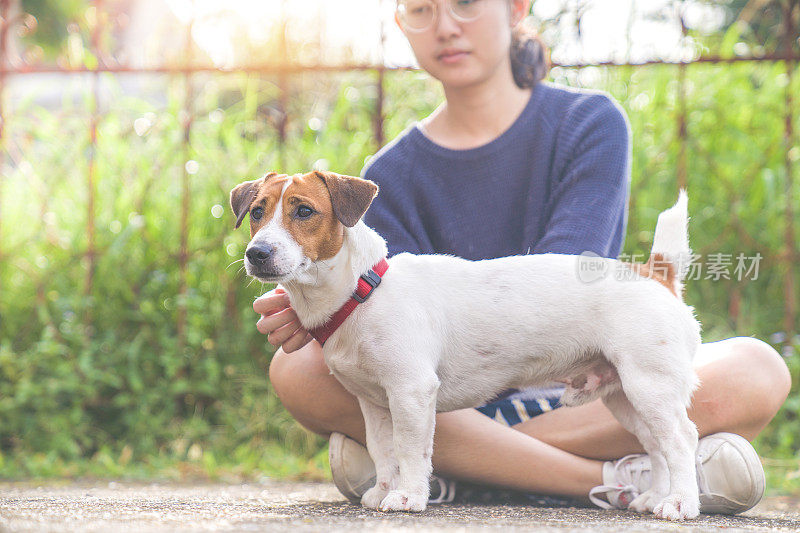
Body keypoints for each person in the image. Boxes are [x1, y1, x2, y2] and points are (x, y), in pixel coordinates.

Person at [257, 0, 791, 512]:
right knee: (298, 369)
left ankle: (471, 471)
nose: (444, 26)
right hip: (451, 399)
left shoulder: (588, 120)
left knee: (757, 369)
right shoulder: (388, 172)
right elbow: (389, 329)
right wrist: (317, 311)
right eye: (421, 9)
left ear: (516, 8)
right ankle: (610, 478)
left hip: (561, 372)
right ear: (403, 24)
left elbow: (567, 273)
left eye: (465, 2)